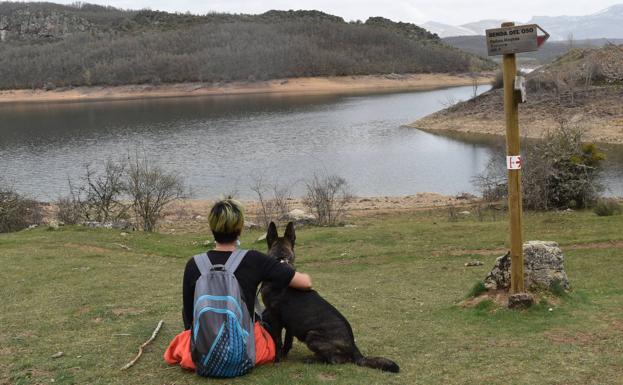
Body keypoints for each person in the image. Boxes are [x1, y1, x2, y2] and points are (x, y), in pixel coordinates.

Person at [164, 198, 312, 371]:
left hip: (203, 354)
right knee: (265, 315)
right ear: (240, 228)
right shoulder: (254, 259)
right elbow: (305, 283)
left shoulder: (193, 264)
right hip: (245, 351)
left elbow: (189, 318)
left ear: (212, 228)